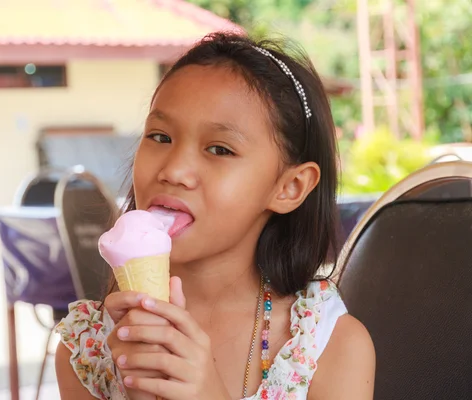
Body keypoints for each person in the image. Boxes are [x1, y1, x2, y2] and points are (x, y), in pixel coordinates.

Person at [55, 32, 375, 400]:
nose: (174, 170)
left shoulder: (328, 346)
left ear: (290, 187)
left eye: (219, 149)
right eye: (160, 137)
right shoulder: (89, 349)